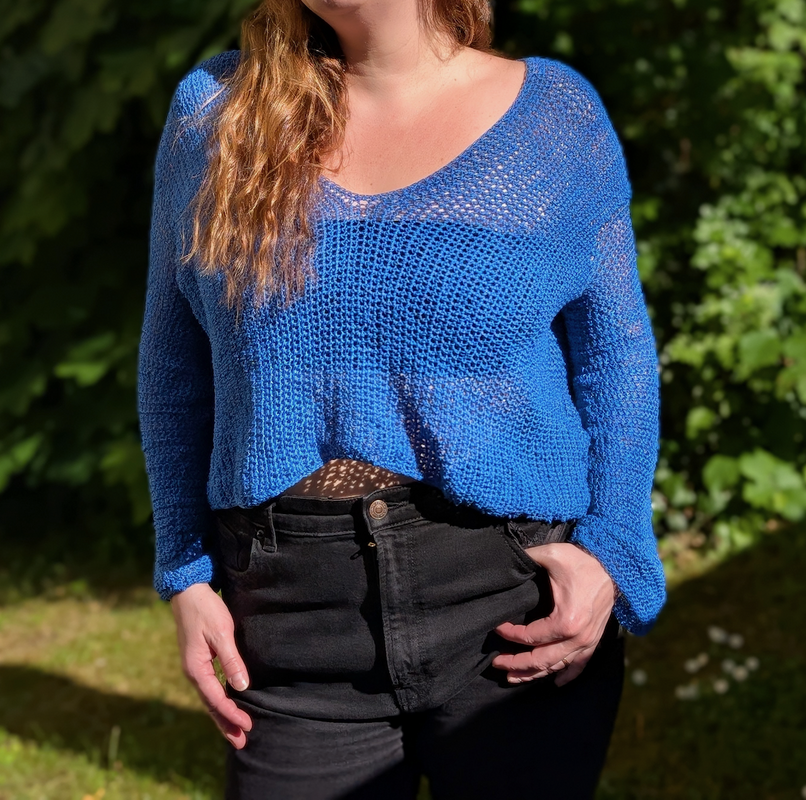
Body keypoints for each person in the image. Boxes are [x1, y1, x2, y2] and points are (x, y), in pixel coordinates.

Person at [137, 0, 666, 797]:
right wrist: (184, 570)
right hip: (290, 613)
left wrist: (610, 554)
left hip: (510, 594)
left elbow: (616, 356)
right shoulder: (218, 113)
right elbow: (173, 364)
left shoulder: (554, 120)